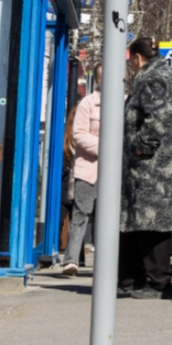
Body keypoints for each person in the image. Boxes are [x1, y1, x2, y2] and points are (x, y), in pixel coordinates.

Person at [118, 37, 172, 300]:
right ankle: (131, 278)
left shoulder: (154, 77)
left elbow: (156, 119)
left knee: (153, 223)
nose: (130, 68)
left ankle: (159, 283)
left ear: (138, 58)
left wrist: (140, 146)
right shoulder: (159, 74)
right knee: (139, 222)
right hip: (152, 165)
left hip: (156, 166)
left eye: (131, 62)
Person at [60, 64, 103, 276]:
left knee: (107, 216)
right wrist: (105, 147)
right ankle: (71, 260)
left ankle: (106, 261)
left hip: (116, 170)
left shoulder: (124, 102)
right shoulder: (88, 103)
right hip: (89, 167)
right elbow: (78, 134)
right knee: (81, 212)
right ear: (98, 80)